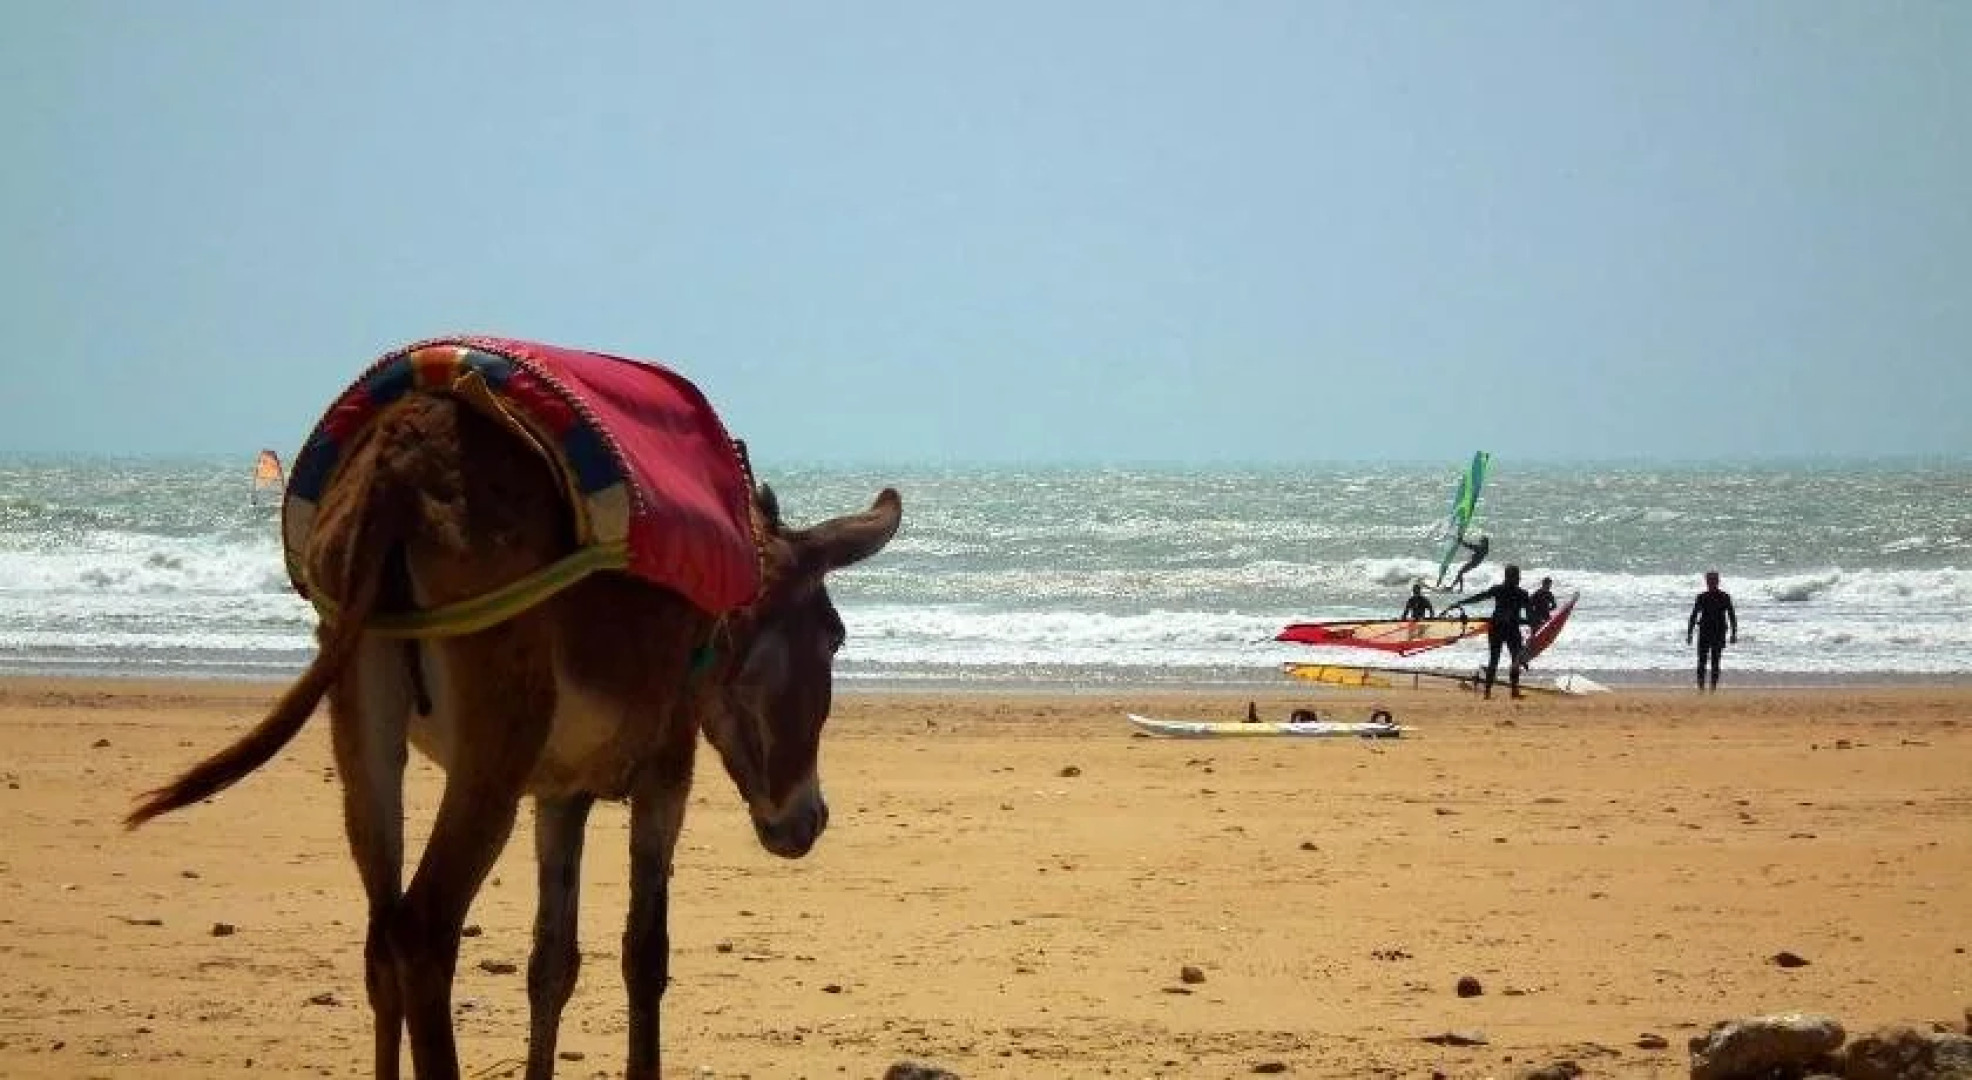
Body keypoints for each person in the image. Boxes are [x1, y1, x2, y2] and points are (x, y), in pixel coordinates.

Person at [1449, 562, 1533, 699]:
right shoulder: (1522, 593)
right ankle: (1513, 691)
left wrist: (1461, 602)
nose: (1519, 579)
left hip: (1496, 628)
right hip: (1511, 629)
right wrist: (1534, 623)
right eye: (1518, 576)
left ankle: (1488, 693)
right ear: (1511, 577)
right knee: (1514, 660)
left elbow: (1479, 597)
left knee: (1494, 660)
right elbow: (1530, 615)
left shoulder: (1498, 589)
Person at [1686, 570, 1738, 691]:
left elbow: (1731, 615)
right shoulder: (1702, 597)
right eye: (1709, 581)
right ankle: (1701, 690)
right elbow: (1694, 615)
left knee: (1715, 662)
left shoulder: (1724, 597)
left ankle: (1713, 689)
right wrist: (1689, 633)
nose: (1712, 583)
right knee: (1701, 662)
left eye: (1714, 580)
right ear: (1706, 582)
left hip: (1719, 632)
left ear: (1718, 581)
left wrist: (1734, 633)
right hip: (1704, 632)